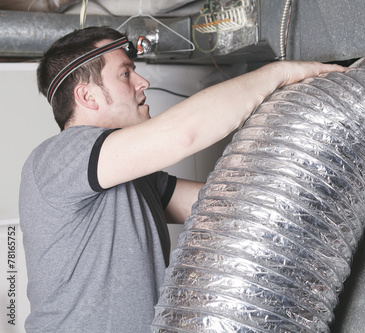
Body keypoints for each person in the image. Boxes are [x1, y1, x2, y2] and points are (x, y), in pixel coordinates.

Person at [19, 26, 346, 332]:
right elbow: (184, 133)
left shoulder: (133, 178)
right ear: (87, 97)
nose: (142, 82)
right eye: (125, 73)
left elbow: (228, 207)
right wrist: (280, 73)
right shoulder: (58, 158)